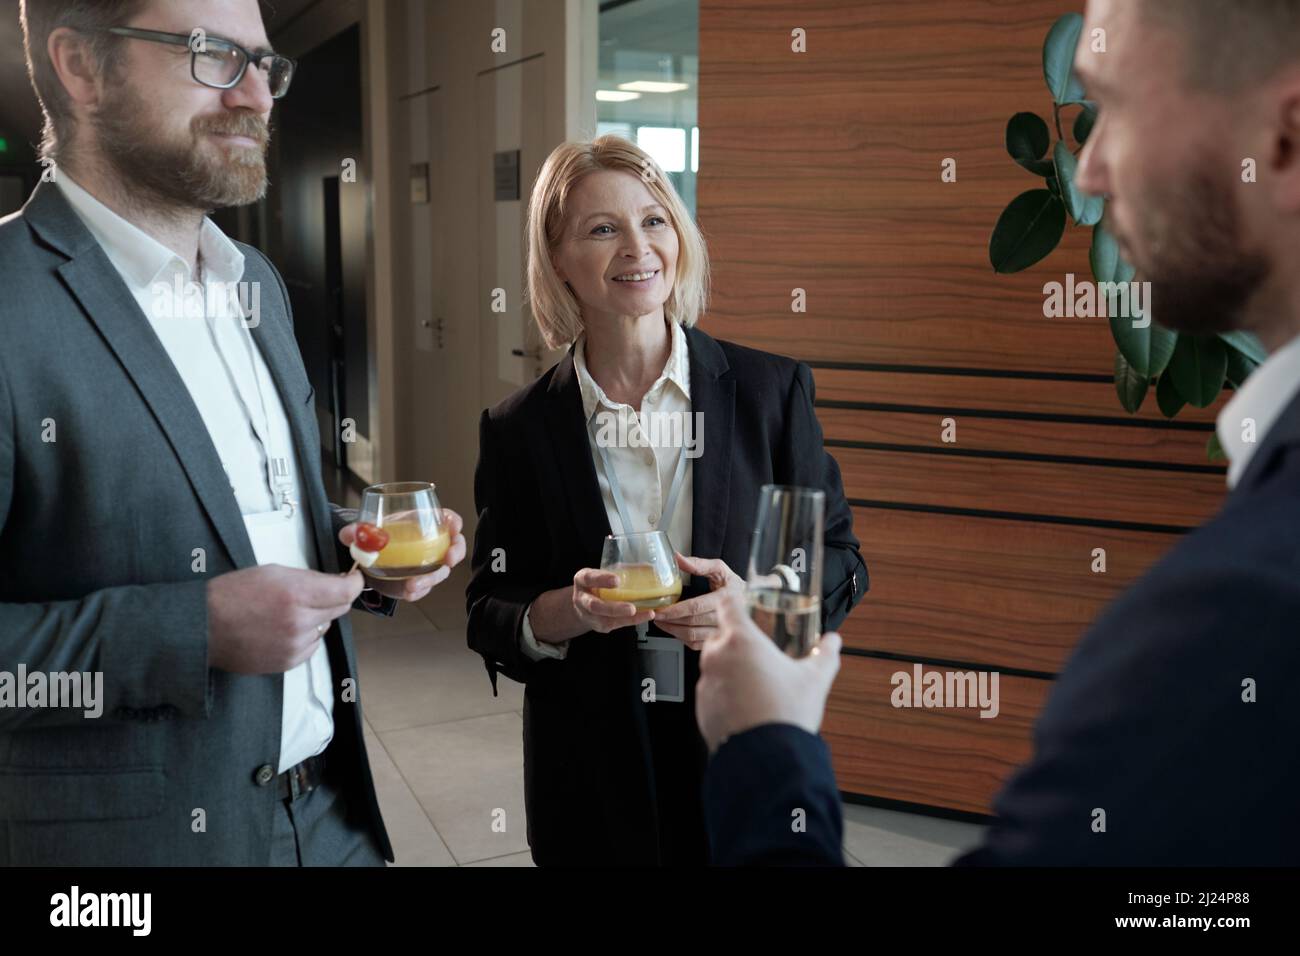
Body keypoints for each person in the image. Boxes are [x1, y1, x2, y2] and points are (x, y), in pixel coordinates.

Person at [698, 0, 1300, 867]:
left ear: (1282, 140)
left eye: (1118, 106)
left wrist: (764, 742)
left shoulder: (1240, 618)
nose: (1086, 173)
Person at [0, 0, 464, 865]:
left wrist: (354, 550)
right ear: (81, 66)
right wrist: (191, 631)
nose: (257, 95)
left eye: (265, 63)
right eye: (212, 54)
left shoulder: (255, 283)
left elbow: (235, 515)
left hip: (333, 819)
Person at [466, 135, 868, 865]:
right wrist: (572, 610)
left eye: (654, 219)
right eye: (601, 228)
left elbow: (840, 561)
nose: (637, 248)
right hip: (586, 765)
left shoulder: (772, 394)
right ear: (558, 259)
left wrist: (752, 604)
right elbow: (489, 607)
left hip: (740, 731)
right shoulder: (518, 427)